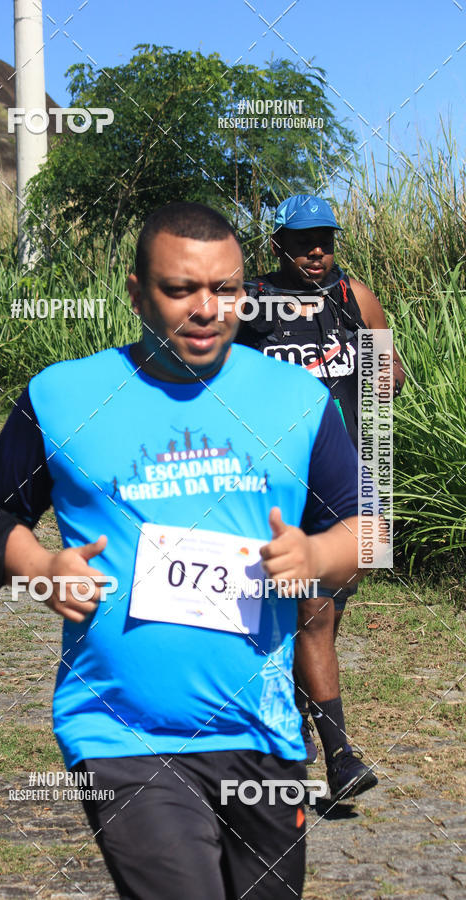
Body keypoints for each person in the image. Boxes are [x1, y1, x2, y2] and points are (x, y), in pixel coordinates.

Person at [0, 202, 362, 899]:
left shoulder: (297, 398)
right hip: (122, 734)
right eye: (181, 289)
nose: (207, 309)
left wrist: (314, 557)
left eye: (226, 289)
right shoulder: (64, 396)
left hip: (262, 735)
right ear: (135, 291)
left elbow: (366, 531)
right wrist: (40, 566)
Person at [237, 194, 405, 803]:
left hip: (345, 474)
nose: (317, 251)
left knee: (325, 609)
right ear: (278, 243)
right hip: (277, 479)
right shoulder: (252, 301)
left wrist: (386, 376)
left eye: (325, 240)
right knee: (312, 610)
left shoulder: (355, 298)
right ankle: (339, 756)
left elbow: (391, 373)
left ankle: (300, 719)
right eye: (304, 240)